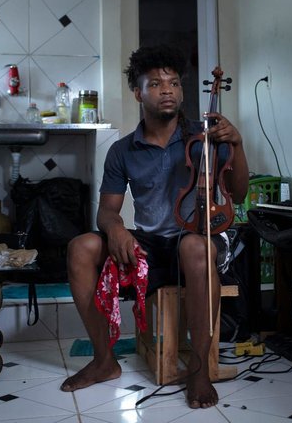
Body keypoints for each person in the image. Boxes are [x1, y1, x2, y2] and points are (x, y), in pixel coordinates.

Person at [60, 45, 249, 409]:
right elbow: (107, 211)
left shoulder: (204, 137)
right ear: (138, 93)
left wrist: (237, 145)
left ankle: (198, 369)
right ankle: (104, 361)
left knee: (193, 246)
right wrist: (116, 230)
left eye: (174, 83)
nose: (167, 90)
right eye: (156, 84)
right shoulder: (122, 150)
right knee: (80, 247)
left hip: (200, 239)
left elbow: (238, 194)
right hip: (151, 243)